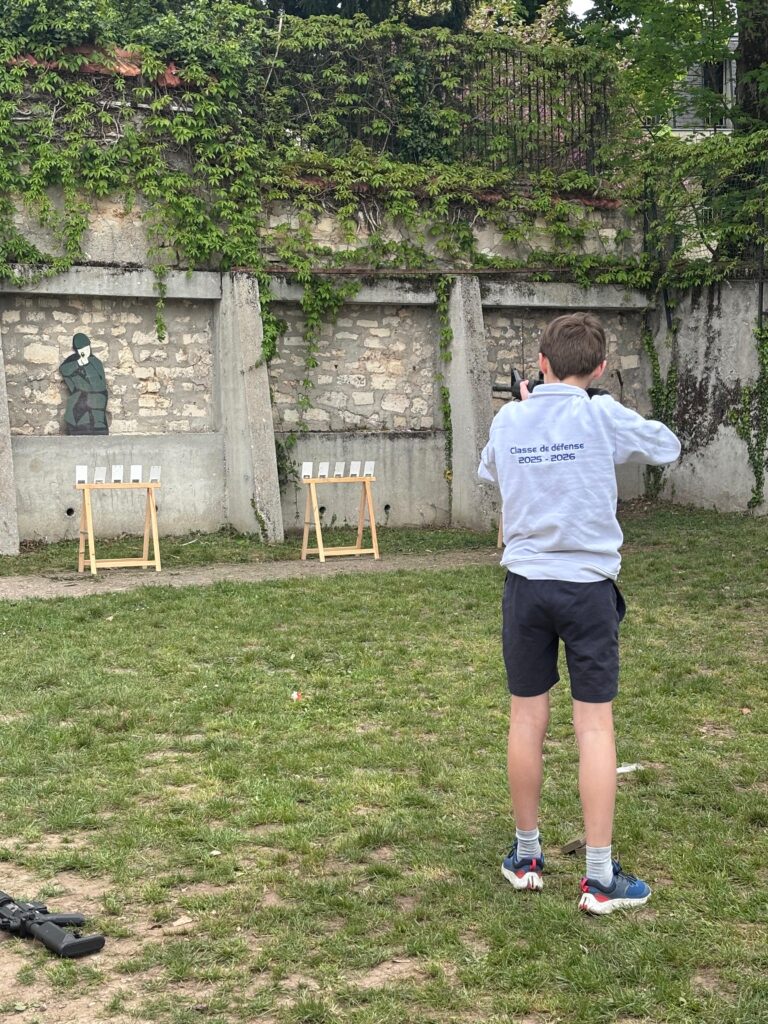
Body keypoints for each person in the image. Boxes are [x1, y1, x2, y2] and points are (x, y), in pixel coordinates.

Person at [478, 312, 681, 915]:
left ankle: (527, 856)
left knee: (525, 720)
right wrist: (595, 406)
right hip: (588, 587)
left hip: (527, 586)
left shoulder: (511, 416)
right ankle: (597, 877)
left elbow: (489, 470)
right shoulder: (600, 412)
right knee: (593, 724)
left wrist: (528, 412)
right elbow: (666, 445)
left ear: (541, 364)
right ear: (596, 370)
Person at [59, 332, 109, 435]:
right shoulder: (73, 360)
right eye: (81, 350)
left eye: (86, 348)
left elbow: (100, 385)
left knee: (98, 429)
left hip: (96, 399)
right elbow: (64, 369)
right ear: (77, 351)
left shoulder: (96, 362)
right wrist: (78, 363)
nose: (85, 351)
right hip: (79, 401)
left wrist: (87, 365)